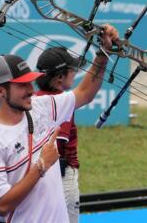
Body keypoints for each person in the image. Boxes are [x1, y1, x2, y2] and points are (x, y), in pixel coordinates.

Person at [0, 25, 118, 223]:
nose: (30, 90)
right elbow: (1, 205)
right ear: (0, 91)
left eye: (30, 82)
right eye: (21, 85)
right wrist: (41, 166)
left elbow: (84, 93)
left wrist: (103, 53)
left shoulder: (41, 107)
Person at [34, 47, 86, 223]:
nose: (75, 73)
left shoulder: (34, 97)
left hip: (38, 176)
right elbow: (58, 148)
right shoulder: (61, 102)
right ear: (59, 77)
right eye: (72, 70)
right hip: (61, 176)